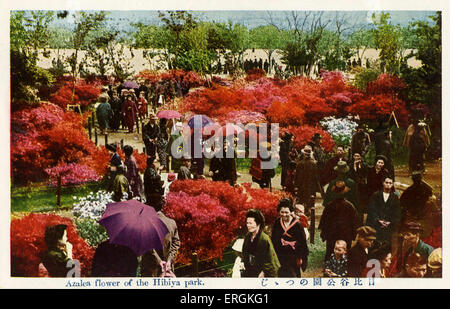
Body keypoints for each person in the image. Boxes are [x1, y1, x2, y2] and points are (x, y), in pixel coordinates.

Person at [319, 181, 359, 261]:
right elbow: (355, 223)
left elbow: (324, 222)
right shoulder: (350, 206)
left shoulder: (329, 206)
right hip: (345, 235)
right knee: (344, 254)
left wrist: (324, 234)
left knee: (331, 252)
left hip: (332, 235)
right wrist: (353, 235)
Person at [141, 197, 180, 277]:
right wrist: (169, 260)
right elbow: (176, 244)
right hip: (168, 270)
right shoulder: (171, 223)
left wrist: (159, 261)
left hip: (151, 270)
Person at [271, 198, 309, 277]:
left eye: (286, 212)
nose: (284, 214)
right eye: (282, 212)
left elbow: (302, 242)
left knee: (293, 275)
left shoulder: (297, 224)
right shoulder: (277, 222)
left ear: (291, 212)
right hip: (281, 254)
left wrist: (301, 257)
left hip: (293, 255)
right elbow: (274, 239)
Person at [242, 209, 280, 277]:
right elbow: (245, 253)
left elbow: (270, 259)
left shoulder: (264, 239)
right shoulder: (248, 236)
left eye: (250, 223)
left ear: (258, 223)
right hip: (250, 269)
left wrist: (264, 272)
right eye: (247, 223)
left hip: (262, 271)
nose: (248, 225)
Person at [366, 176, 402, 244]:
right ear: (383, 183)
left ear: (392, 184)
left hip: (388, 227)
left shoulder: (395, 197)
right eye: (386, 182)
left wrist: (390, 222)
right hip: (376, 225)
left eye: (390, 183)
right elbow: (372, 209)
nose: (388, 185)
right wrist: (378, 220)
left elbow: (397, 212)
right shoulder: (376, 195)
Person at [294, 146, 320, 215]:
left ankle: (303, 213)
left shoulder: (300, 164)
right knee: (310, 201)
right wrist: (317, 187)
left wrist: (296, 186)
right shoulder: (314, 164)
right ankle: (310, 213)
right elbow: (316, 177)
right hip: (311, 186)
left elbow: (296, 176)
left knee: (302, 200)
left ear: (304, 154)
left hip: (302, 185)